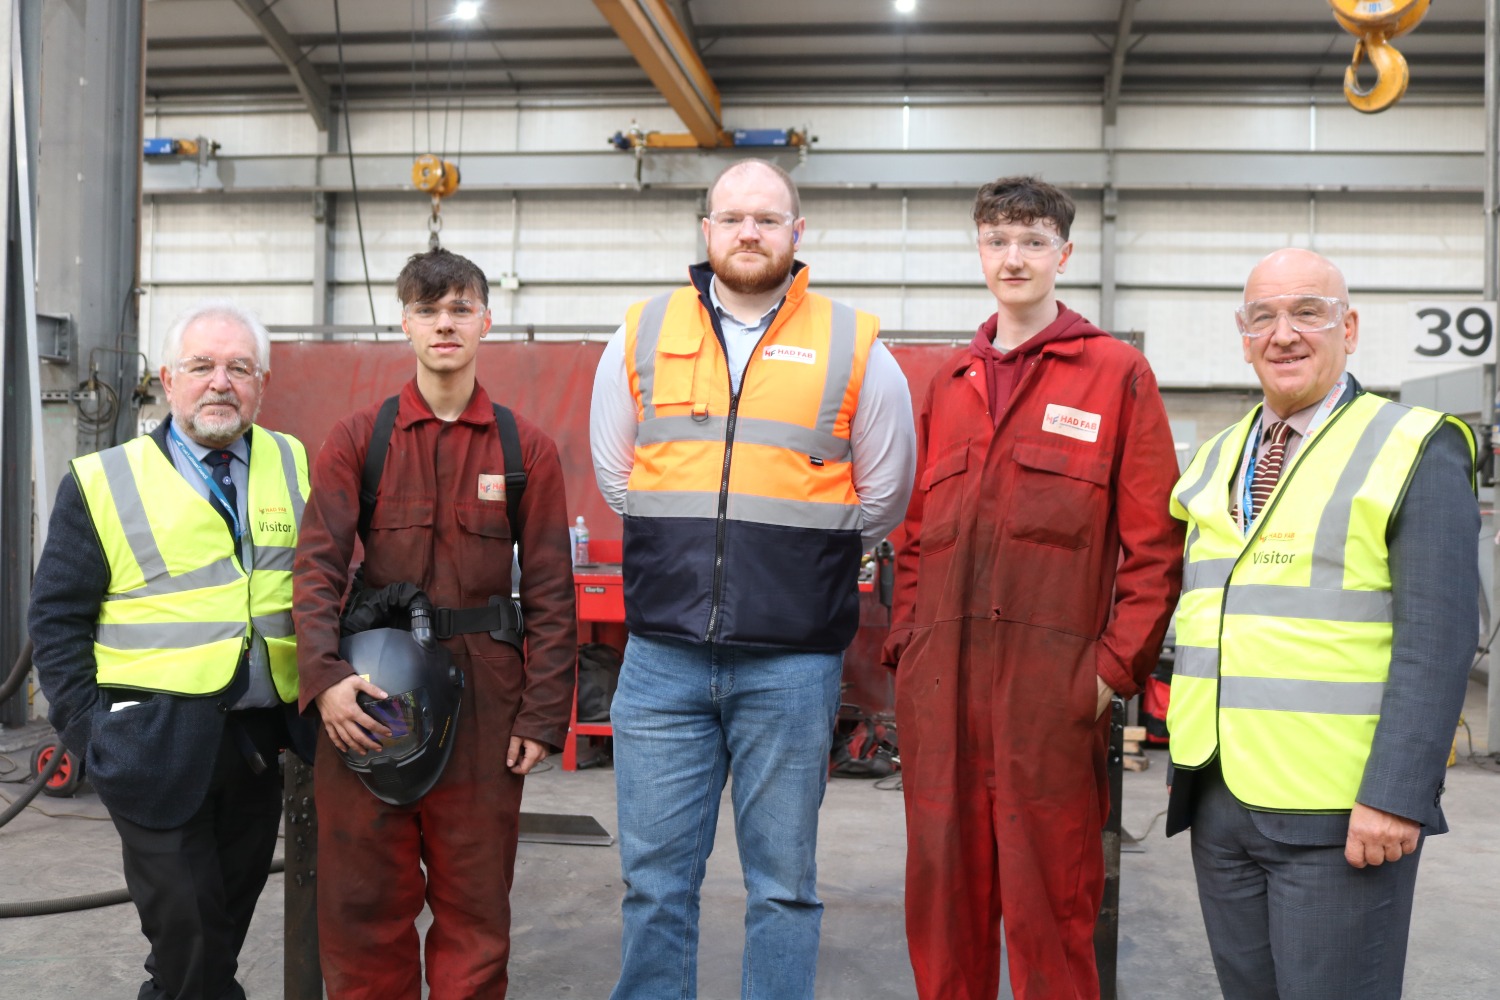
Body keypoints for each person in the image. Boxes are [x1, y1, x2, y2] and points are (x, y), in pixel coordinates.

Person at [590, 157, 916, 999]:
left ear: (796, 233)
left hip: (791, 665)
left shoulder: (855, 344)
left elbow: (883, 495)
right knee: (654, 885)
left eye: (768, 219)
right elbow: (619, 478)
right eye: (732, 217)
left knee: (783, 887)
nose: (748, 233)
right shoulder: (640, 332)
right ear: (707, 230)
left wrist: (791, 566)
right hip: (661, 662)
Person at [881, 175, 1184, 1000]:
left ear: (1064, 254)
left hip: (1051, 699)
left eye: (1033, 242)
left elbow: (1155, 545)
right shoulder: (949, 383)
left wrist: (1112, 671)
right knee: (943, 915)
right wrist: (908, 649)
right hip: (942, 695)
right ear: (979, 251)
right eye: (997, 241)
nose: (1013, 258)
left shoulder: (1114, 374)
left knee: (1053, 917)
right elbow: (915, 537)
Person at [1165, 248, 1478, 1000]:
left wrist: (1397, 794)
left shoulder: (1411, 445)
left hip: (1341, 812)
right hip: (1218, 798)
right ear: (1243, 336)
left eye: (1307, 312)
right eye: (1263, 317)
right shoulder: (1214, 458)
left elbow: (1437, 643)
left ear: (1350, 328)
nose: (1284, 334)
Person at [293, 248, 577, 998]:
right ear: (405, 324)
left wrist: (542, 714)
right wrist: (325, 681)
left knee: (475, 906)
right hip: (371, 694)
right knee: (362, 903)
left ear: (486, 321)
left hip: (486, 702)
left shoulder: (524, 449)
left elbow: (552, 590)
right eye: (427, 310)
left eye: (459, 309)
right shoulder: (360, 439)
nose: (444, 324)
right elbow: (316, 568)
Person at [29, 301, 312, 1000]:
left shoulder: (292, 461)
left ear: (263, 382)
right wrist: (90, 734)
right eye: (202, 365)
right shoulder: (103, 480)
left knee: (213, 944)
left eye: (239, 368)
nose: (221, 382)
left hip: (257, 742)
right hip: (150, 743)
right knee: (190, 940)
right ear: (167, 379)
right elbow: (56, 620)